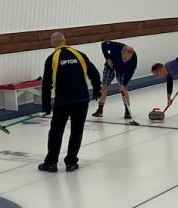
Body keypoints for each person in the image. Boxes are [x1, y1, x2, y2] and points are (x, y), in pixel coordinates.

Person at [39, 32, 101, 173]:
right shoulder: (79, 54)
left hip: (63, 101)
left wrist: (46, 106)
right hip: (81, 100)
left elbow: (46, 84)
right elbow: (94, 73)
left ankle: (51, 163)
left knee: (56, 131)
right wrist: (97, 91)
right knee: (76, 131)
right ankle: (71, 162)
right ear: (65, 40)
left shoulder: (52, 58)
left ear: (52, 43)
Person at [92, 40, 137, 120]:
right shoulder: (115, 46)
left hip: (123, 70)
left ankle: (127, 110)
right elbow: (103, 44)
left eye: (128, 58)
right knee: (104, 87)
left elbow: (130, 73)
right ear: (121, 53)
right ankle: (100, 110)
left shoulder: (133, 59)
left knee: (124, 89)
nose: (126, 60)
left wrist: (123, 84)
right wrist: (108, 58)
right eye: (125, 58)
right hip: (110, 66)